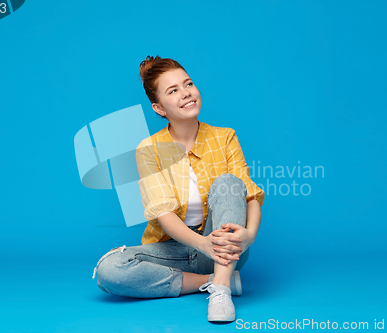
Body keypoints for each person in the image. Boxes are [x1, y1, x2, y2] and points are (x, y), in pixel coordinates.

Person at [92, 55, 265, 323]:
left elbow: (251, 195)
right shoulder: (149, 149)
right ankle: (215, 281)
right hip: (175, 250)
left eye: (188, 84)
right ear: (159, 108)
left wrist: (249, 237)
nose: (186, 93)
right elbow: (163, 213)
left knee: (230, 183)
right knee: (110, 269)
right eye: (173, 90)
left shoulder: (225, 136)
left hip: (224, 249)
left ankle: (220, 290)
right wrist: (202, 245)